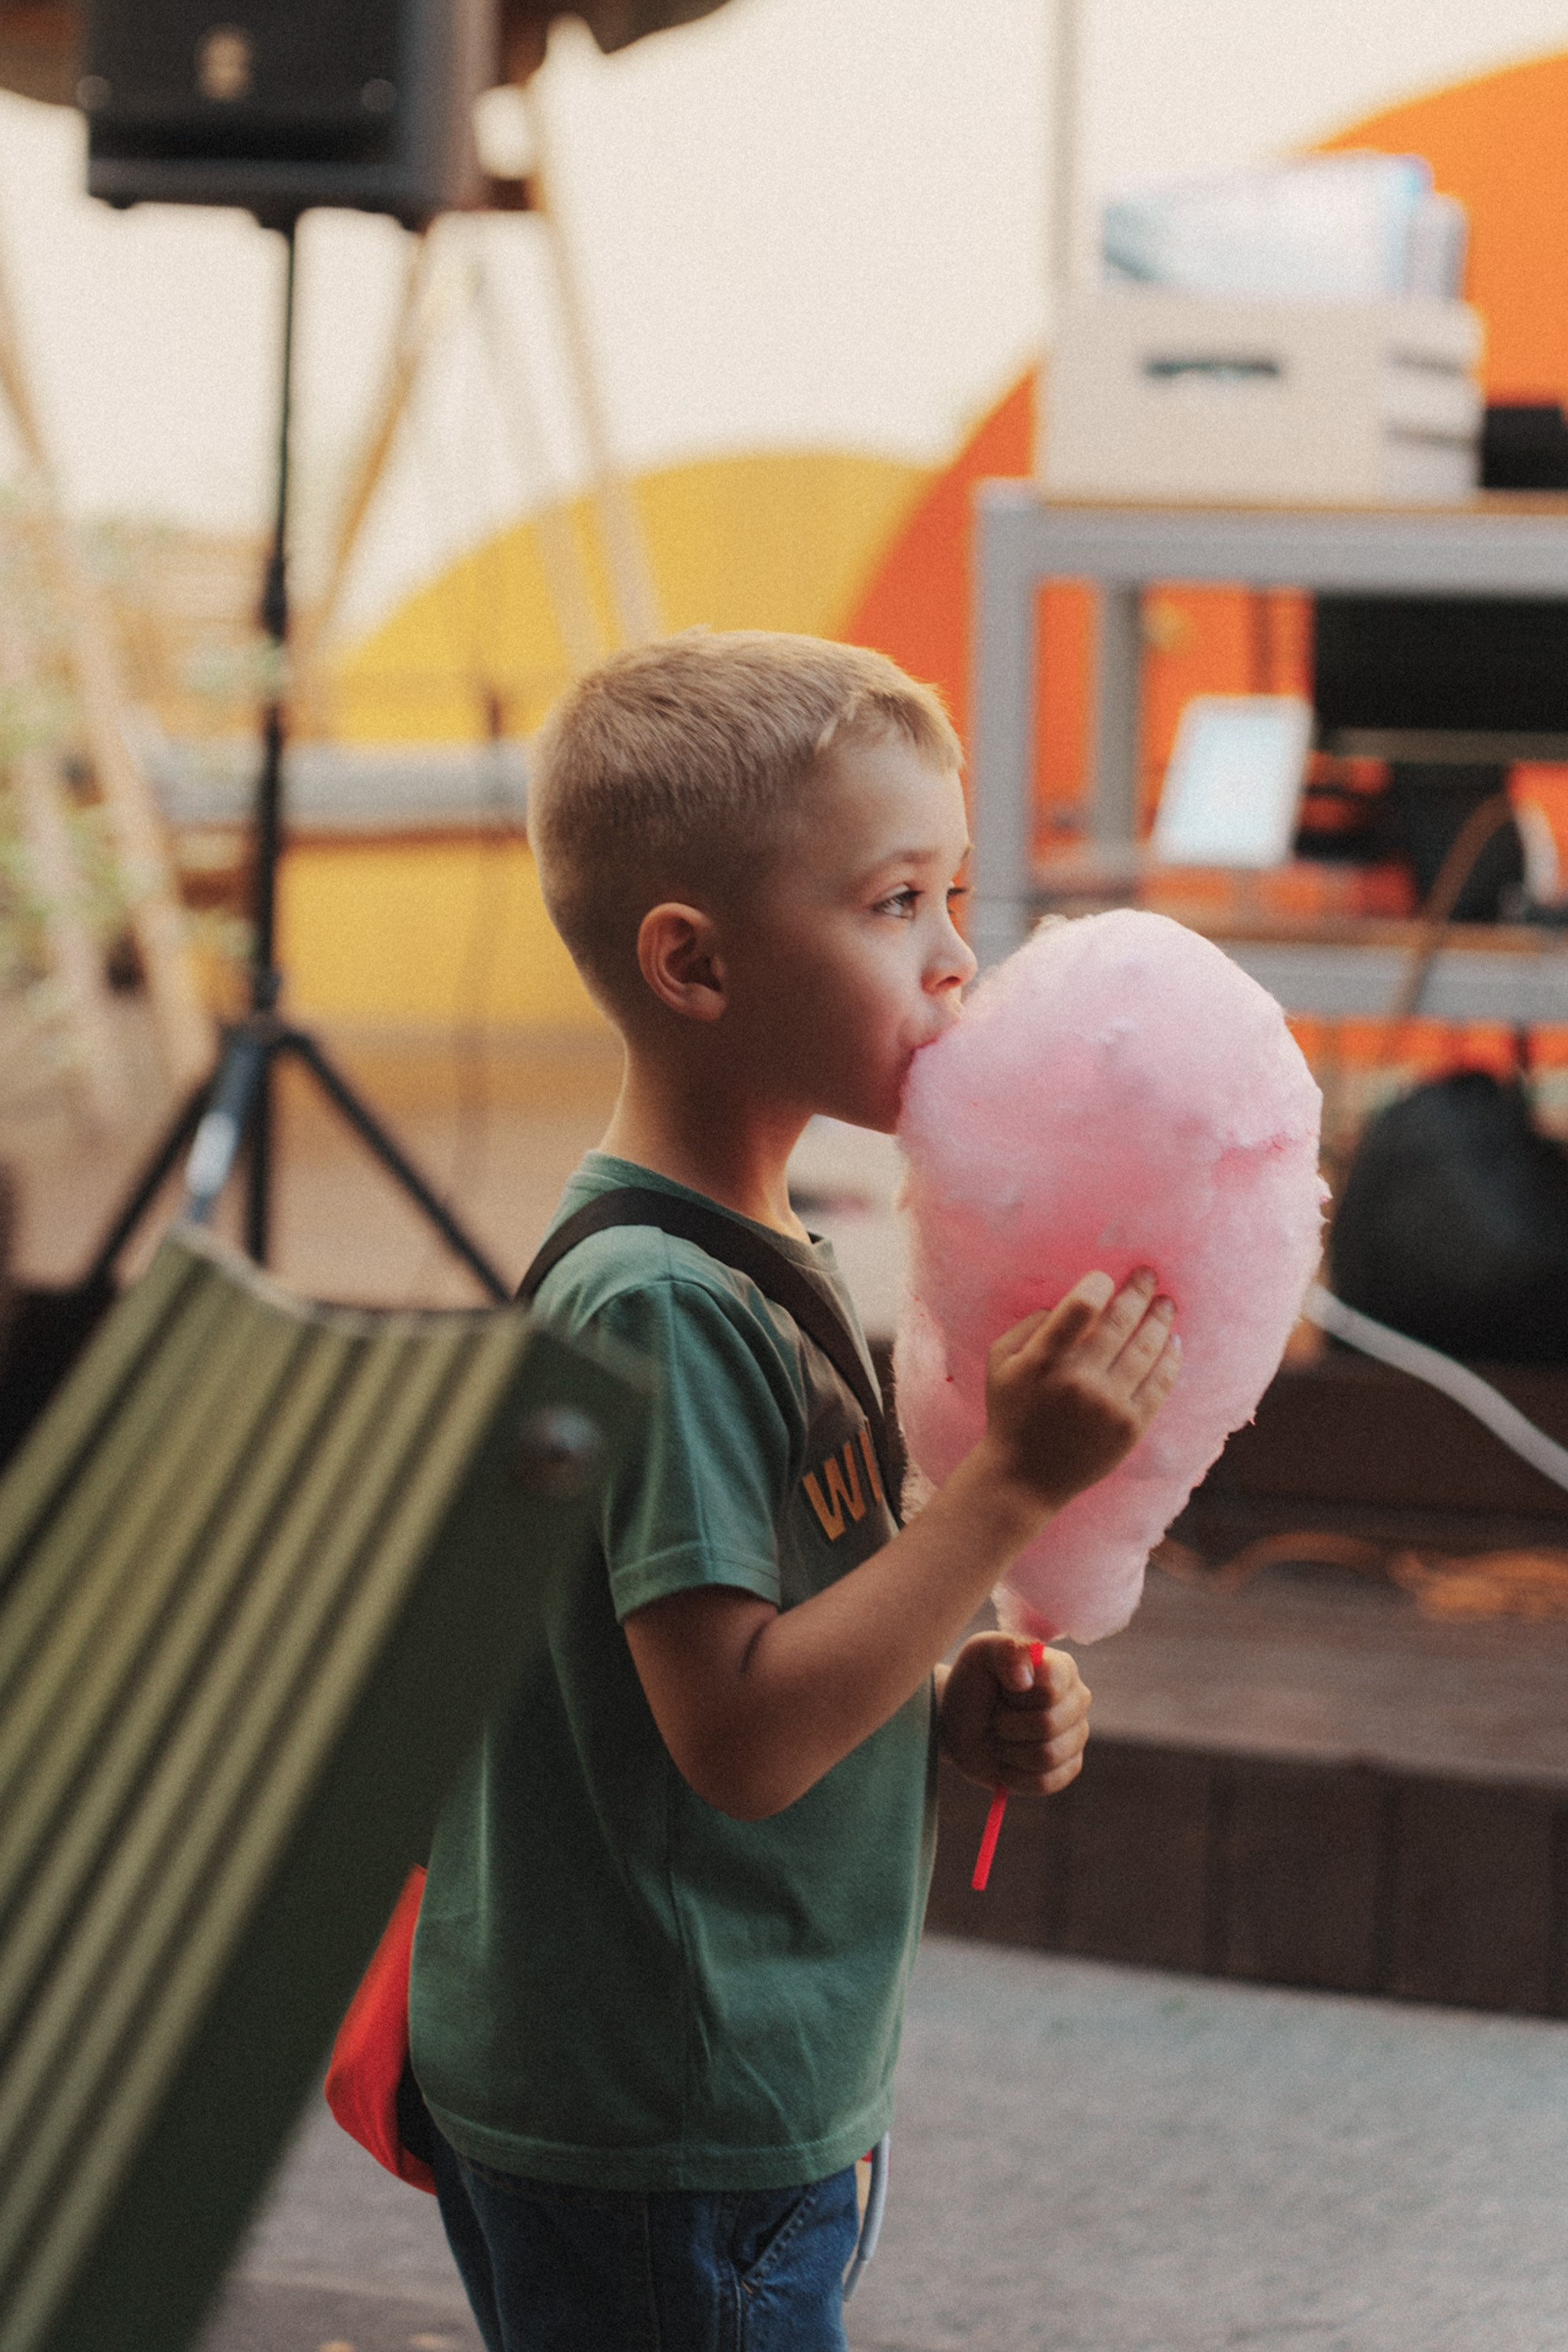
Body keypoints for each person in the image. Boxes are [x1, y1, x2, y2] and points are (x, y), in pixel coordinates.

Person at [408, 631, 1181, 2351]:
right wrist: (1000, 1497)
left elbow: (775, 1635)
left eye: (953, 893)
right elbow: (741, 1737)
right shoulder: (659, 1304)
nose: (958, 957)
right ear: (693, 963)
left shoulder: (762, 1248)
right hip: (662, 2118)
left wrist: (942, 1689)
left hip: (723, 2074)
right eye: (895, 901)